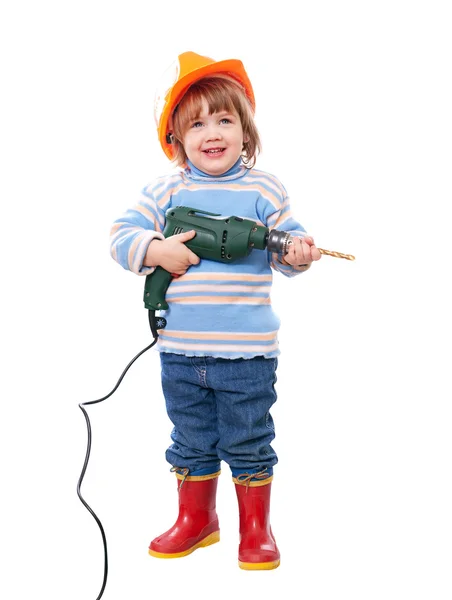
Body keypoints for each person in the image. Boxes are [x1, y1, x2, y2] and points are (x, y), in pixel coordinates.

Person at [110, 51, 321, 570]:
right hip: (180, 350)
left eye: (225, 120)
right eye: (197, 123)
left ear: (245, 132)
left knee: (249, 440)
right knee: (190, 439)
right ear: (176, 139)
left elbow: (287, 250)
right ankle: (198, 520)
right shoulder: (166, 189)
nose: (213, 132)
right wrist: (155, 252)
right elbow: (121, 236)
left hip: (247, 354)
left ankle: (256, 529)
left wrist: (297, 253)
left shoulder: (264, 189)